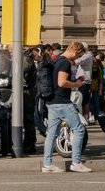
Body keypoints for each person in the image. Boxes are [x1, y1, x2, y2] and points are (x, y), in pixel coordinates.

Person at [41, 41, 91, 174]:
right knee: (79, 129)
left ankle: (47, 164)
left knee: (52, 133)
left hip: (52, 101)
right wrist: (76, 84)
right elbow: (62, 82)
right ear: (76, 51)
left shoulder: (57, 60)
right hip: (62, 101)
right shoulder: (64, 62)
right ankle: (76, 162)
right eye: (79, 56)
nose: (77, 58)